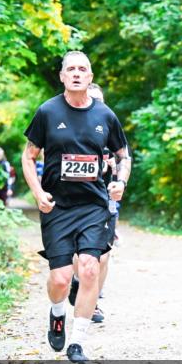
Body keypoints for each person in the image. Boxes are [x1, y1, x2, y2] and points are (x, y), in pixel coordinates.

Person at [21, 51, 131, 364]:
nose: (77, 73)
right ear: (62, 76)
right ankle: (57, 313)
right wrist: (37, 192)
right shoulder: (47, 111)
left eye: (83, 69)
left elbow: (124, 155)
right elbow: (29, 156)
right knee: (60, 279)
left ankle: (78, 342)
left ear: (91, 76)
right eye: (71, 69)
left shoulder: (105, 115)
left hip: (93, 205)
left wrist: (120, 181)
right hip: (58, 206)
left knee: (90, 268)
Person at [68, 82, 119, 324]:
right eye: (92, 99)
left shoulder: (110, 125)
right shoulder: (72, 127)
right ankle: (79, 283)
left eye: (100, 100)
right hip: (77, 200)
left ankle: (94, 301)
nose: (96, 104)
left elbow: (125, 158)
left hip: (105, 200)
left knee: (105, 255)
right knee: (81, 253)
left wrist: (115, 170)